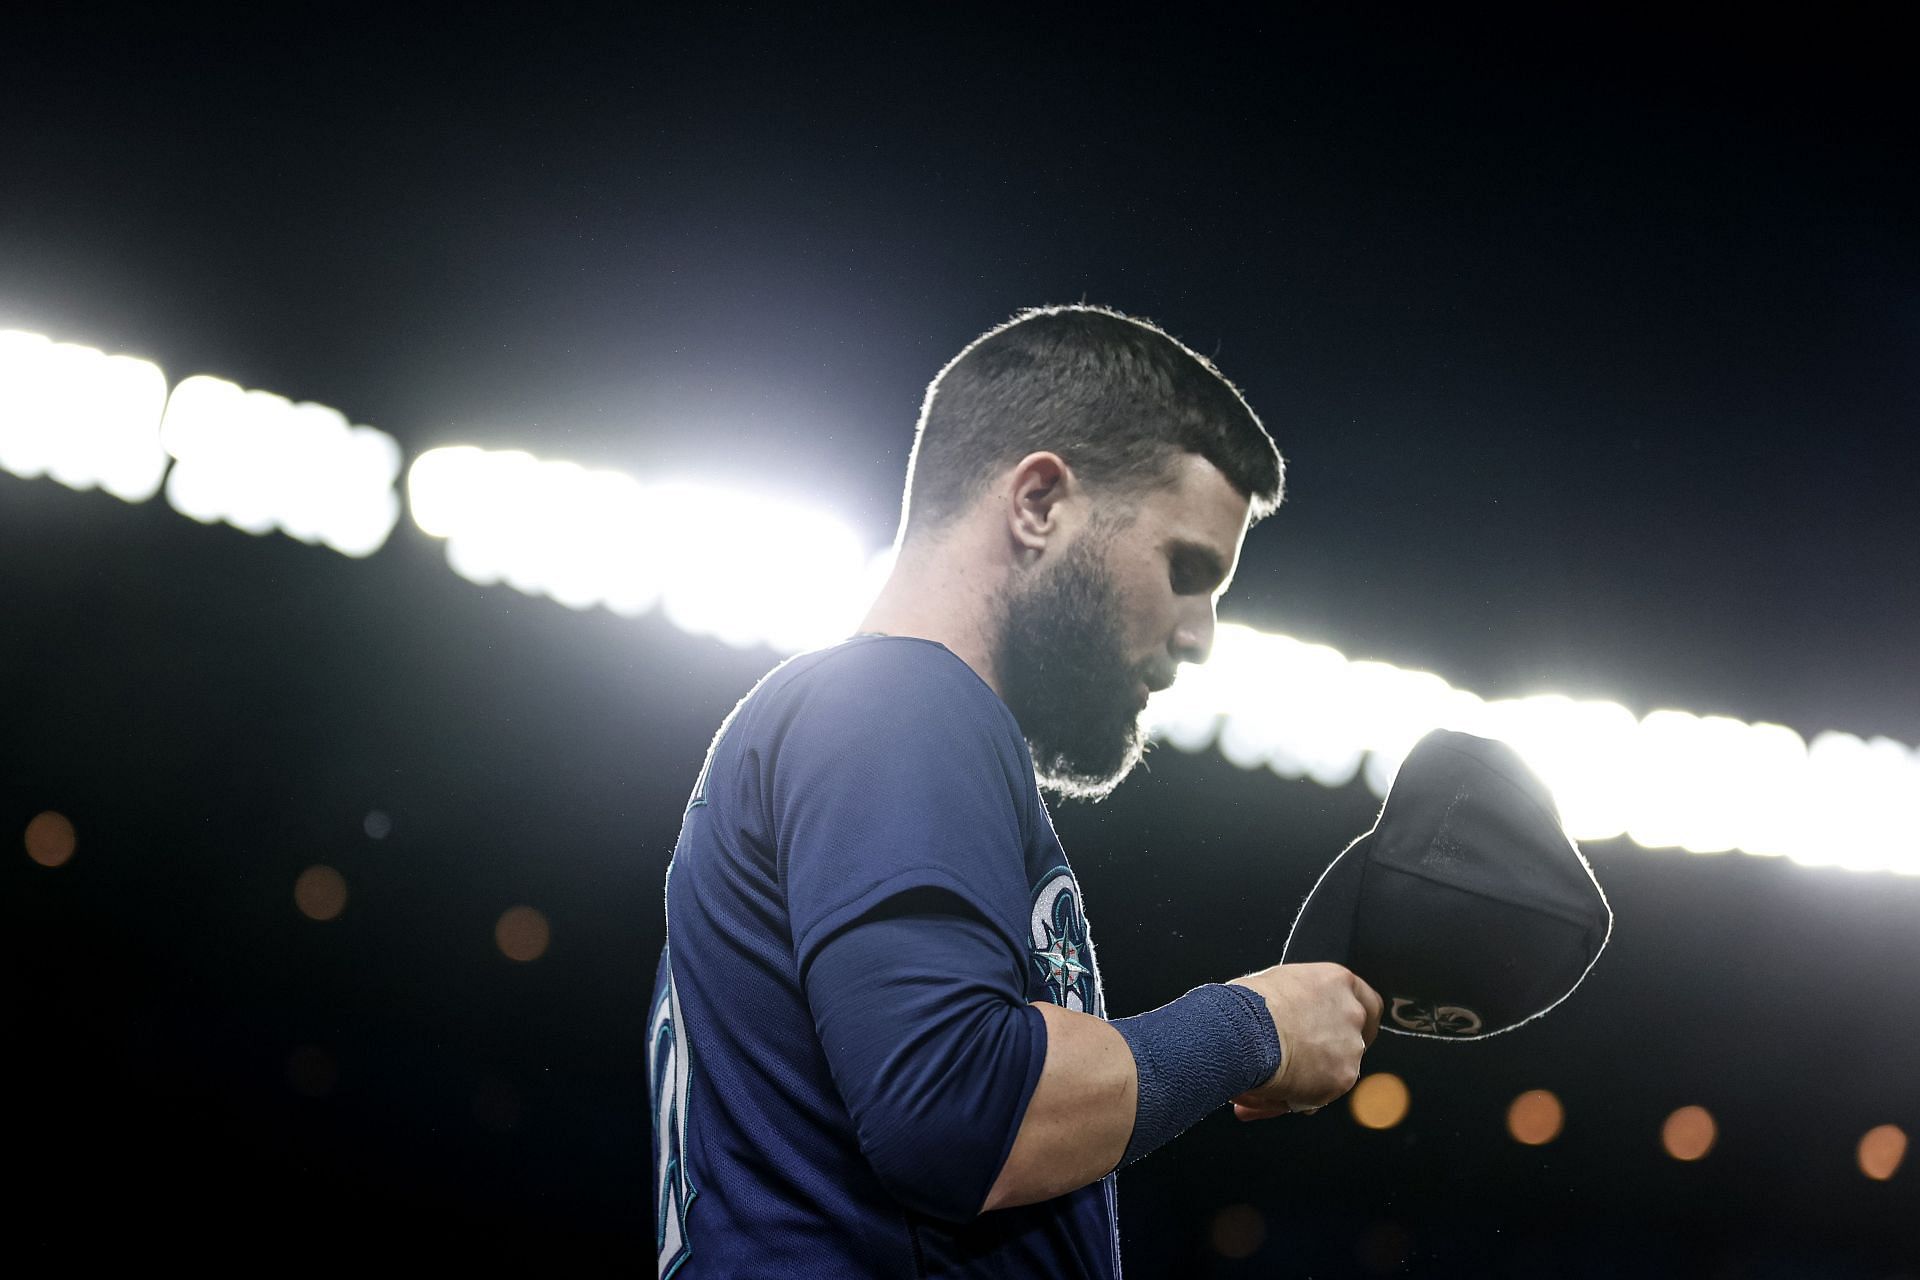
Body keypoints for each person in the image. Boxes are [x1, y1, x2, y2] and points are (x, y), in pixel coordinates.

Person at [648, 305, 1382, 1277]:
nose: (1199, 631)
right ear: (1038, 502)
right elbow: (958, 1113)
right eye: (1187, 568)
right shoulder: (901, 699)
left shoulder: (875, 713)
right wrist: (1254, 1026)